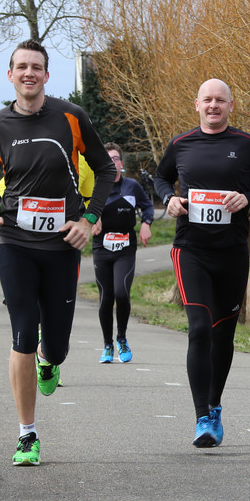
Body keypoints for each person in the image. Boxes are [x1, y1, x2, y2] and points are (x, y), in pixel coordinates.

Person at [0, 39, 115, 467]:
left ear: (46, 76)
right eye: (21, 67)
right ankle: (26, 435)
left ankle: (49, 361)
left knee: (56, 345)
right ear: (10, 75)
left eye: (36, 67)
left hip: (62, 245)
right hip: (15, 241)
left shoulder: (71, 117)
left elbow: (105, 168)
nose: (28, 73)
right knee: (21, 334)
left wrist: (88, 219)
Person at [153, 79, 250, 449]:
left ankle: (215, 404)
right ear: (197, 104)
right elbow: (161, 178)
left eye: (220, 100)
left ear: (230, 106)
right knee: (200, 329)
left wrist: (247, 198)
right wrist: (169, 198)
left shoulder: (247, 144)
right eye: (207, 100)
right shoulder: (180, 144)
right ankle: (202, 418)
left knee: (223, 335)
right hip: (190, 250)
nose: (213, 106)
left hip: (232, 252)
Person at [91, 143, 155, 364]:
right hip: (102, 248)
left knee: (121, 292)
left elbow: (148, 206)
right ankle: (107, 345)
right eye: (107, 159)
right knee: (105, 298)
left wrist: (146, 223)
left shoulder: (132, 186)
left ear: (121, 163)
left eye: (115, 158)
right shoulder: (95, 188)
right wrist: (91, 219)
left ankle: (122, 338)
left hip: (125, 248)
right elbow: (80, 208)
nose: (112, 163)